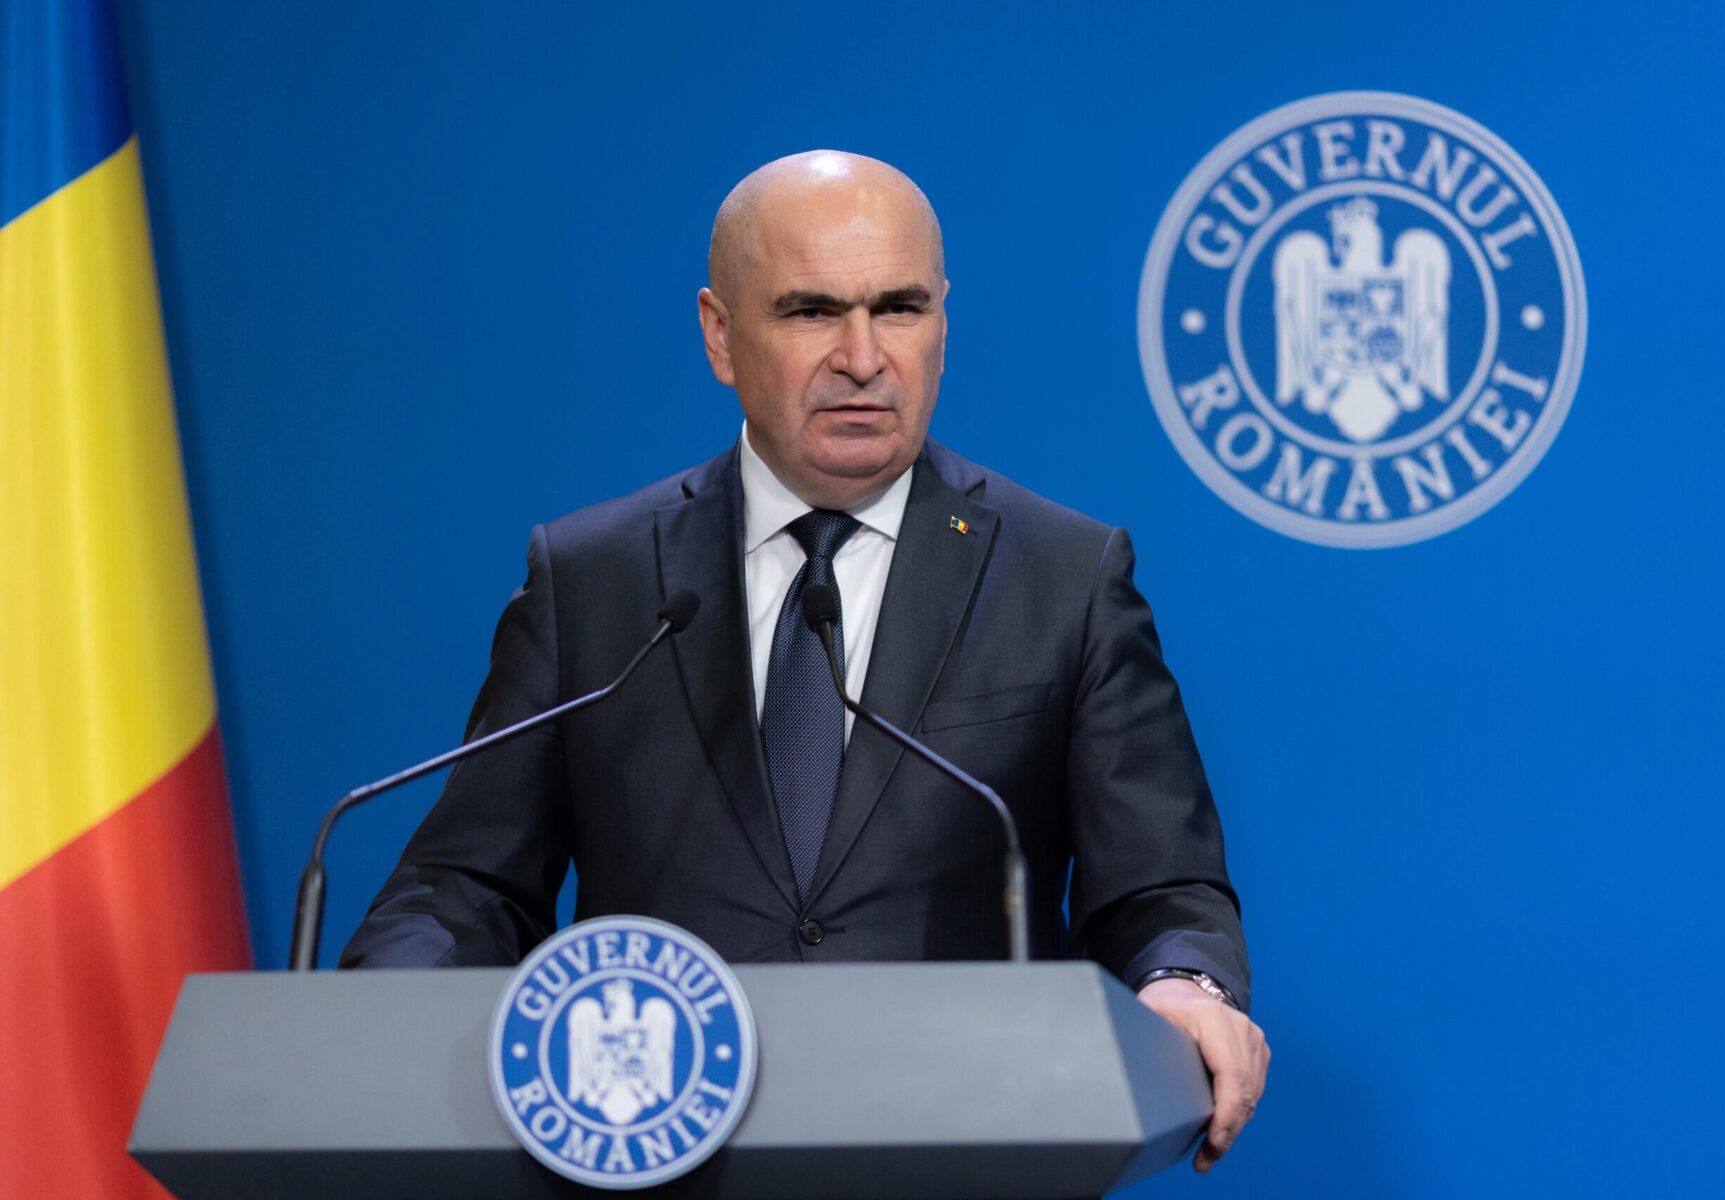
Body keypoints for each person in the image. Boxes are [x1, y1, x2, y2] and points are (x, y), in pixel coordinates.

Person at [342, 151, 1269, 1171]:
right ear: (719, 334)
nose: (863, 357)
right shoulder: (595, 579)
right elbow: (466, 885)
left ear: (943, 324)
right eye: (812, 311)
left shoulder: (1064, 575)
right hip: (657, 1167)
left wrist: (1185, 984)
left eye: (900, 308)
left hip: (963, 1158)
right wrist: (391, 1008)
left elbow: (1159, 892)